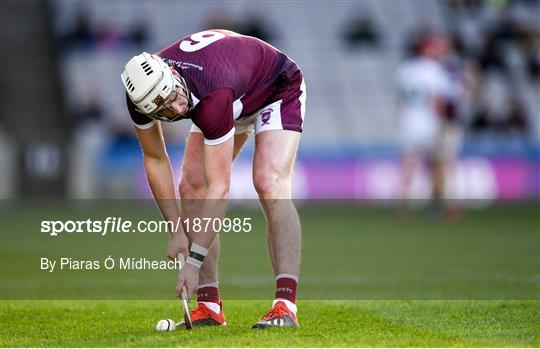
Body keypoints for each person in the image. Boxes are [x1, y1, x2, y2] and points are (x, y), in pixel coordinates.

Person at [121, 29, 305, 328]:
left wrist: (192, 263)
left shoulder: (211, 92)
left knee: (268, 182)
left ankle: (285, 305)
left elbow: (220, 188)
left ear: (171, 73)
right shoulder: (141, 98)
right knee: (191, 186)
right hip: (230, 87)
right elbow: (155, 158)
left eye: (174, 99)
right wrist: (175, 231)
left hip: (275, 86)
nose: (177, 109)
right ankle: (208, 306)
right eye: (164, 110)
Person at [396, 33, 463, 217]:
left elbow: (400, 102)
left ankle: (403, 207)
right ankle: (444, 206)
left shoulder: (405, 69)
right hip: (429, 123)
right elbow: (438, 101)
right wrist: (441, 124)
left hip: (410, 123)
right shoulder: (435, 70)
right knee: (439, 164)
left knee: (409, 166)